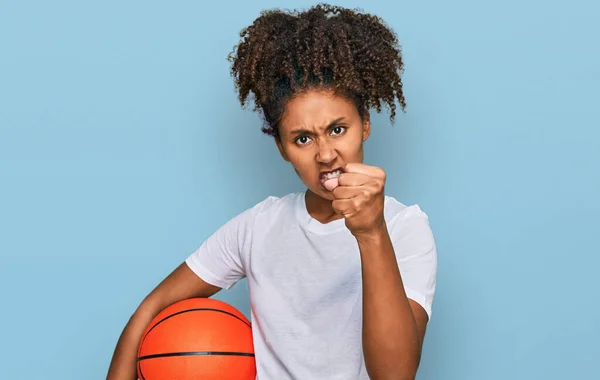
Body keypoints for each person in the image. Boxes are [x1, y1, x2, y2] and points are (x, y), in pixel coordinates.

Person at [106, 3, 438, 380]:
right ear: (282, 149)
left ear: (365, 124)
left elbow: (395, 376)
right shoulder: (258, 227)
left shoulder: (405, 227)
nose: (326, 154)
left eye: (337, 129)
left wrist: (371, 233)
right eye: (302, 138)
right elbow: (150, 310)